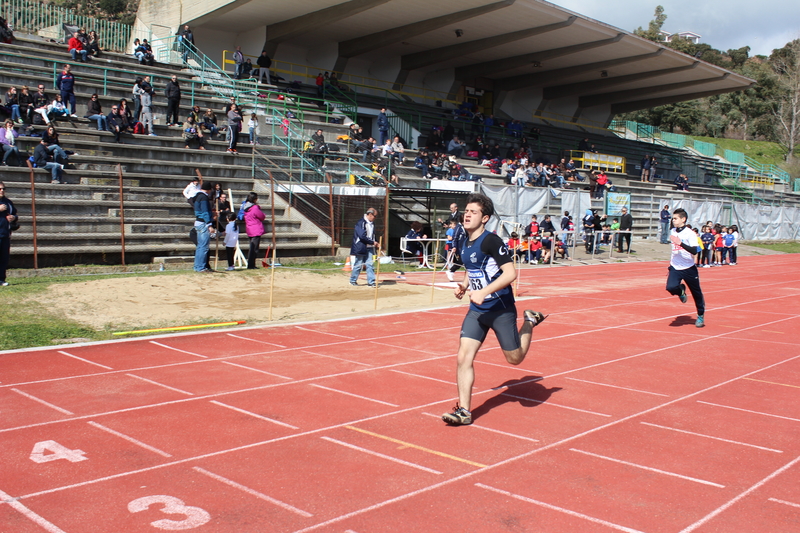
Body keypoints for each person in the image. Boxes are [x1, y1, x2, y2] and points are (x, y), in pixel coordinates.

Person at [441, 193, 547, 426]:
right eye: (466, 211)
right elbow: (472, 266)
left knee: (515, 359)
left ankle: (529, 320)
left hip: (500, 309)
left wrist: (483, 291)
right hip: (477, 312)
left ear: (485, 218)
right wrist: (465, 285)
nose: (467, 215)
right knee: (462, 357)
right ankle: (464, 411)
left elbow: (511, 274)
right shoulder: (463, 241)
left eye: (473, 212)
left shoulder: (491, 241)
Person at [665, 208, 706, 328]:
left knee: (696, 292)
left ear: (683, 219)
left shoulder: (690, 233)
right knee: (670, 287)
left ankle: (700, 315)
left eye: (676, 218)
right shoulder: (672, 230)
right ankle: (680, 291)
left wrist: (681, 243)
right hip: (675, 266)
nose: (673, 220)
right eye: (673, 218)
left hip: (688, 267)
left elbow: (695, 250)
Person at [350, 207, 378, 287]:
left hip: (369, 247)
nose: (375, 218)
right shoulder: (361, 222)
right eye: (374, 216)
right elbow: (362, 236)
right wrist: (372, 242)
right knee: (358, 264)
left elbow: (373, 235)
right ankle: (353, 280)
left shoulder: (372, 224)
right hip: (360, 246)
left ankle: (371, 282)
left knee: (370, 264)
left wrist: (375, 243)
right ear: (370, 214)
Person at [192, 181, 215, 273]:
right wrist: (209, 224)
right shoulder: (204, 197)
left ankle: (197, 266)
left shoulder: (197, 196)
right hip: (203, 223)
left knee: (200, 246)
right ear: (209, 189)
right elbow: (205, 212)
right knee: (204, 247)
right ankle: (201, 267)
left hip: (198, 221)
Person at [242, 192, 265, 269]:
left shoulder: (246, 207)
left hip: (250, 229)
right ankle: (251, 265)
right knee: (254, 249)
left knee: (252, 247)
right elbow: (261, 216)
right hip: (256, 229)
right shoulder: (254, 208)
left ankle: (251, 264)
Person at [0, 181, 17, 286]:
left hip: (5, 234)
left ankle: (1, 279)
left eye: (3, 189)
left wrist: (13, 218)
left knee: (3, 259)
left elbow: (15, 214)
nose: (2, 191)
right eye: (0, 189)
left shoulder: (8, 202)